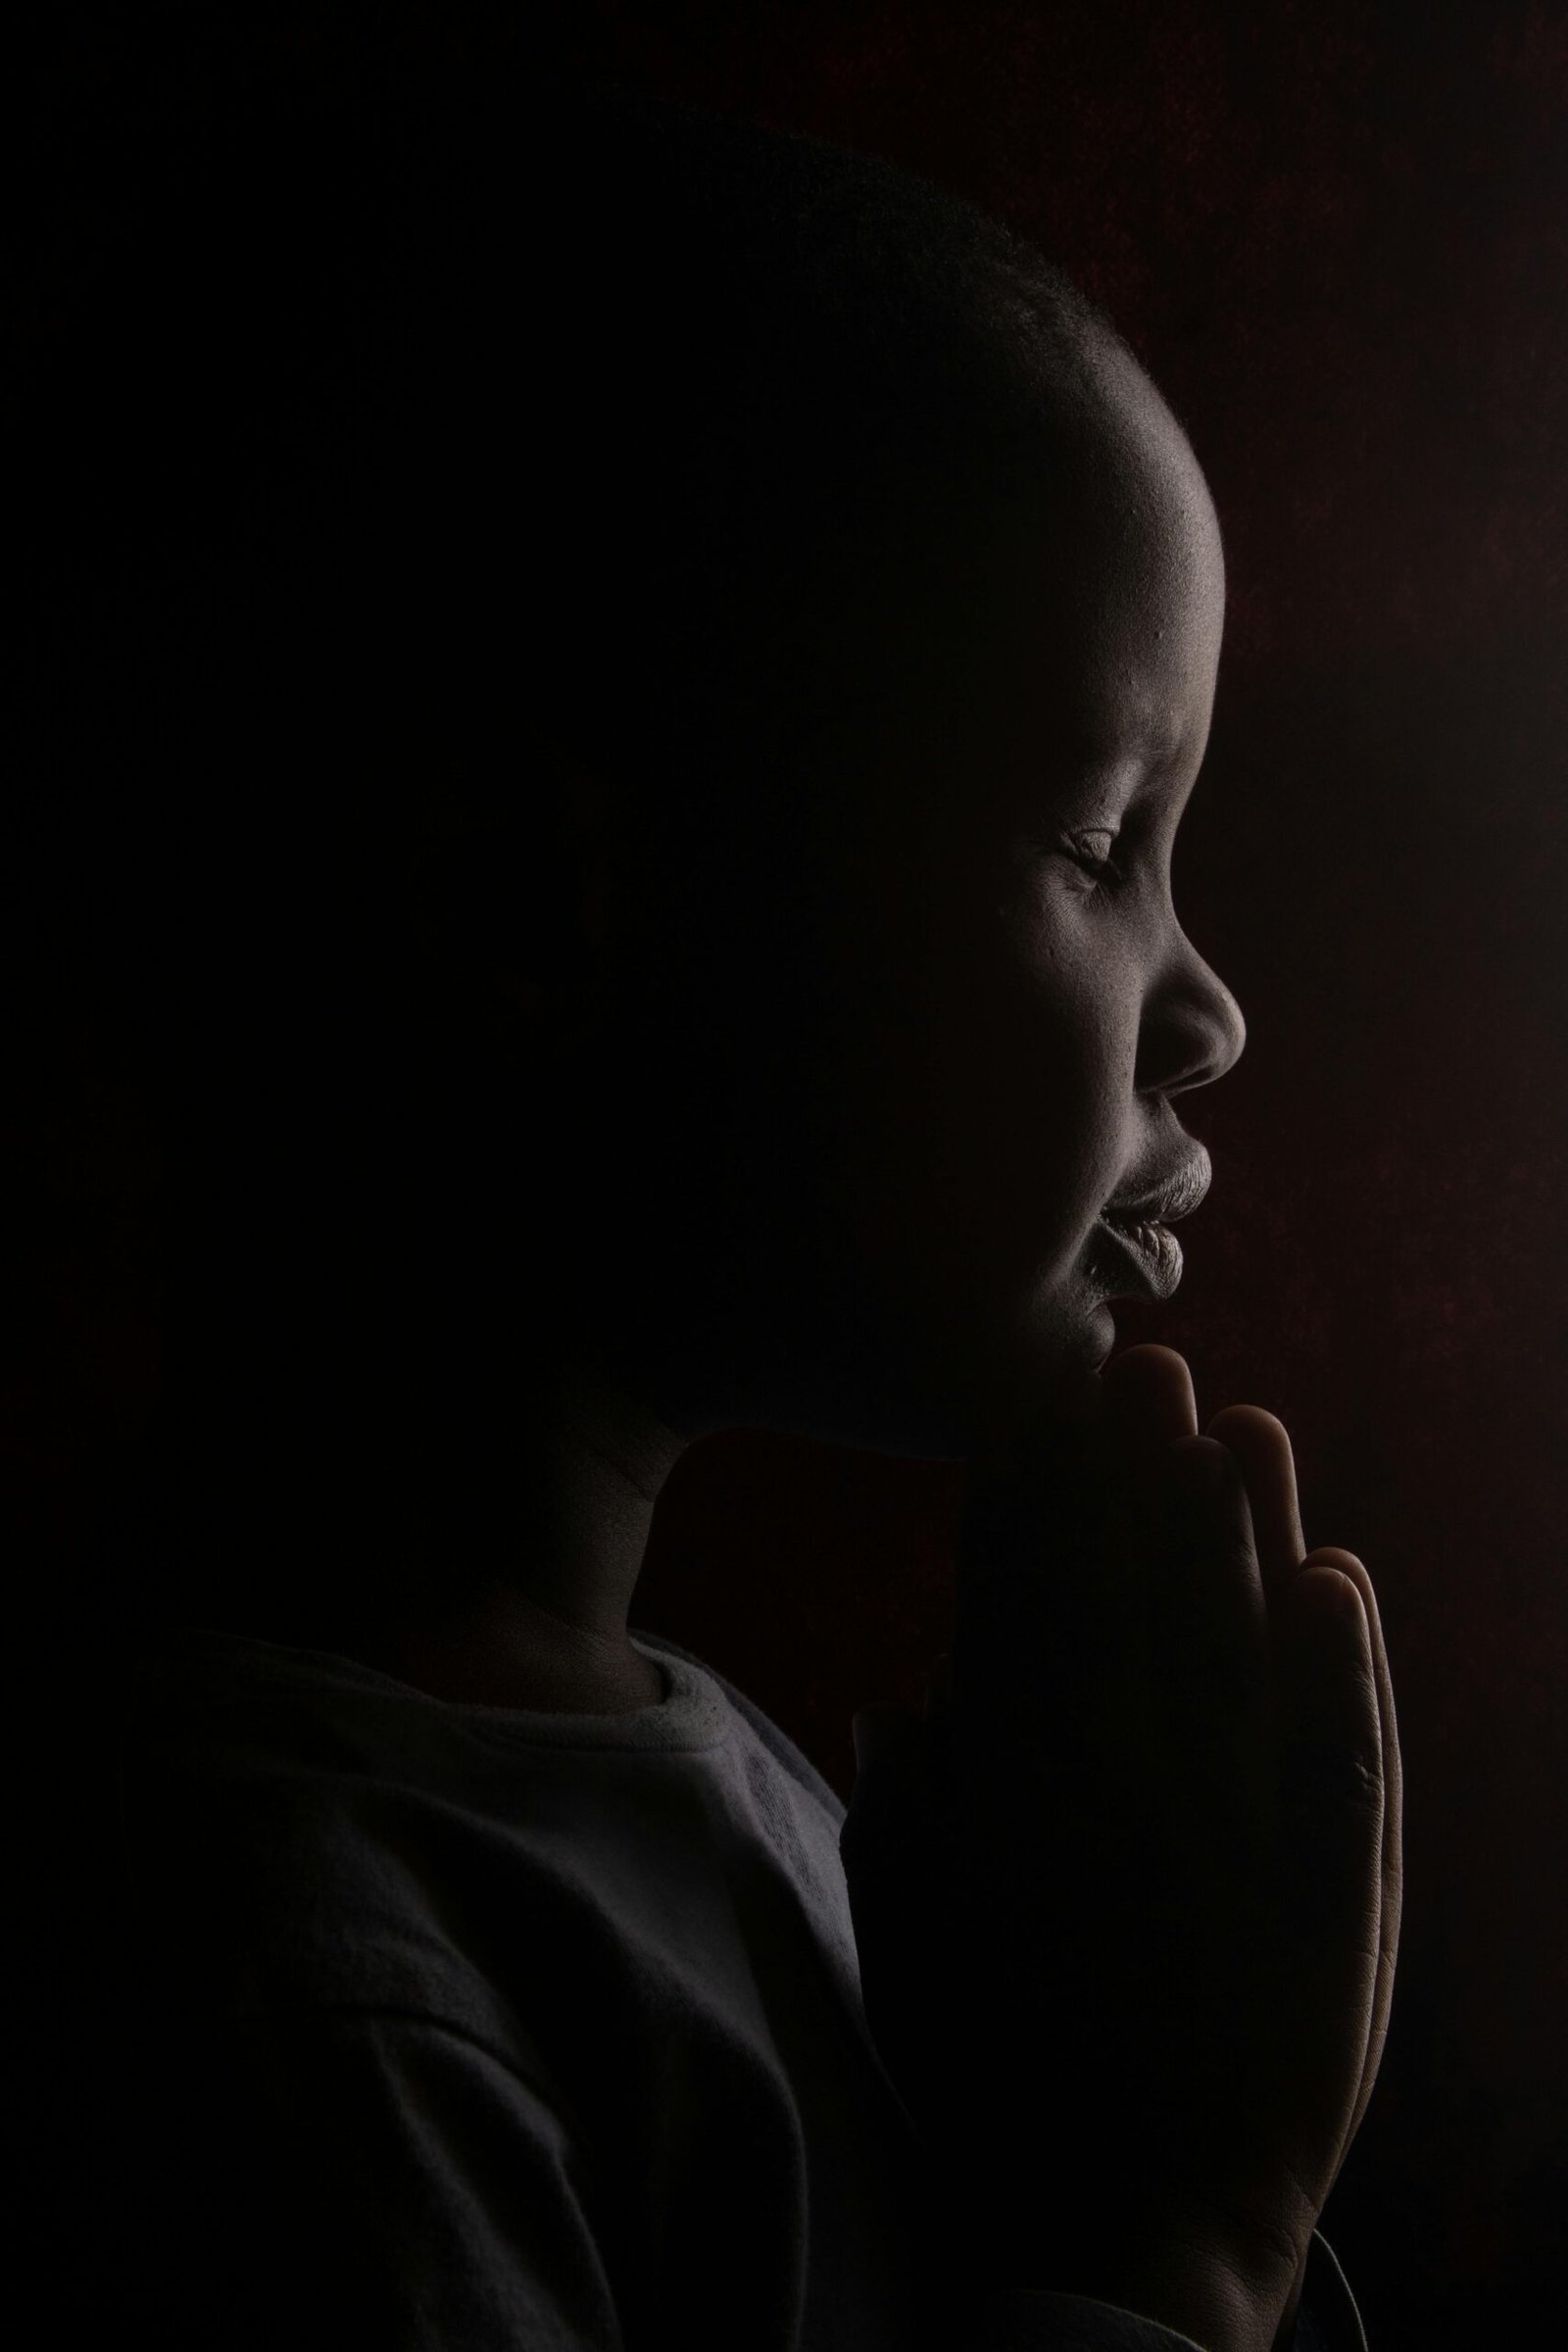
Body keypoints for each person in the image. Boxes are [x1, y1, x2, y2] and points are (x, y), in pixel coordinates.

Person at [8, 38, 1399, 2352]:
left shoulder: (735, 1783)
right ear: (547, 904)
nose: (1208, 1009)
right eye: (1094, 843)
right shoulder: (284, 2001)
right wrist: (1182, 2251)